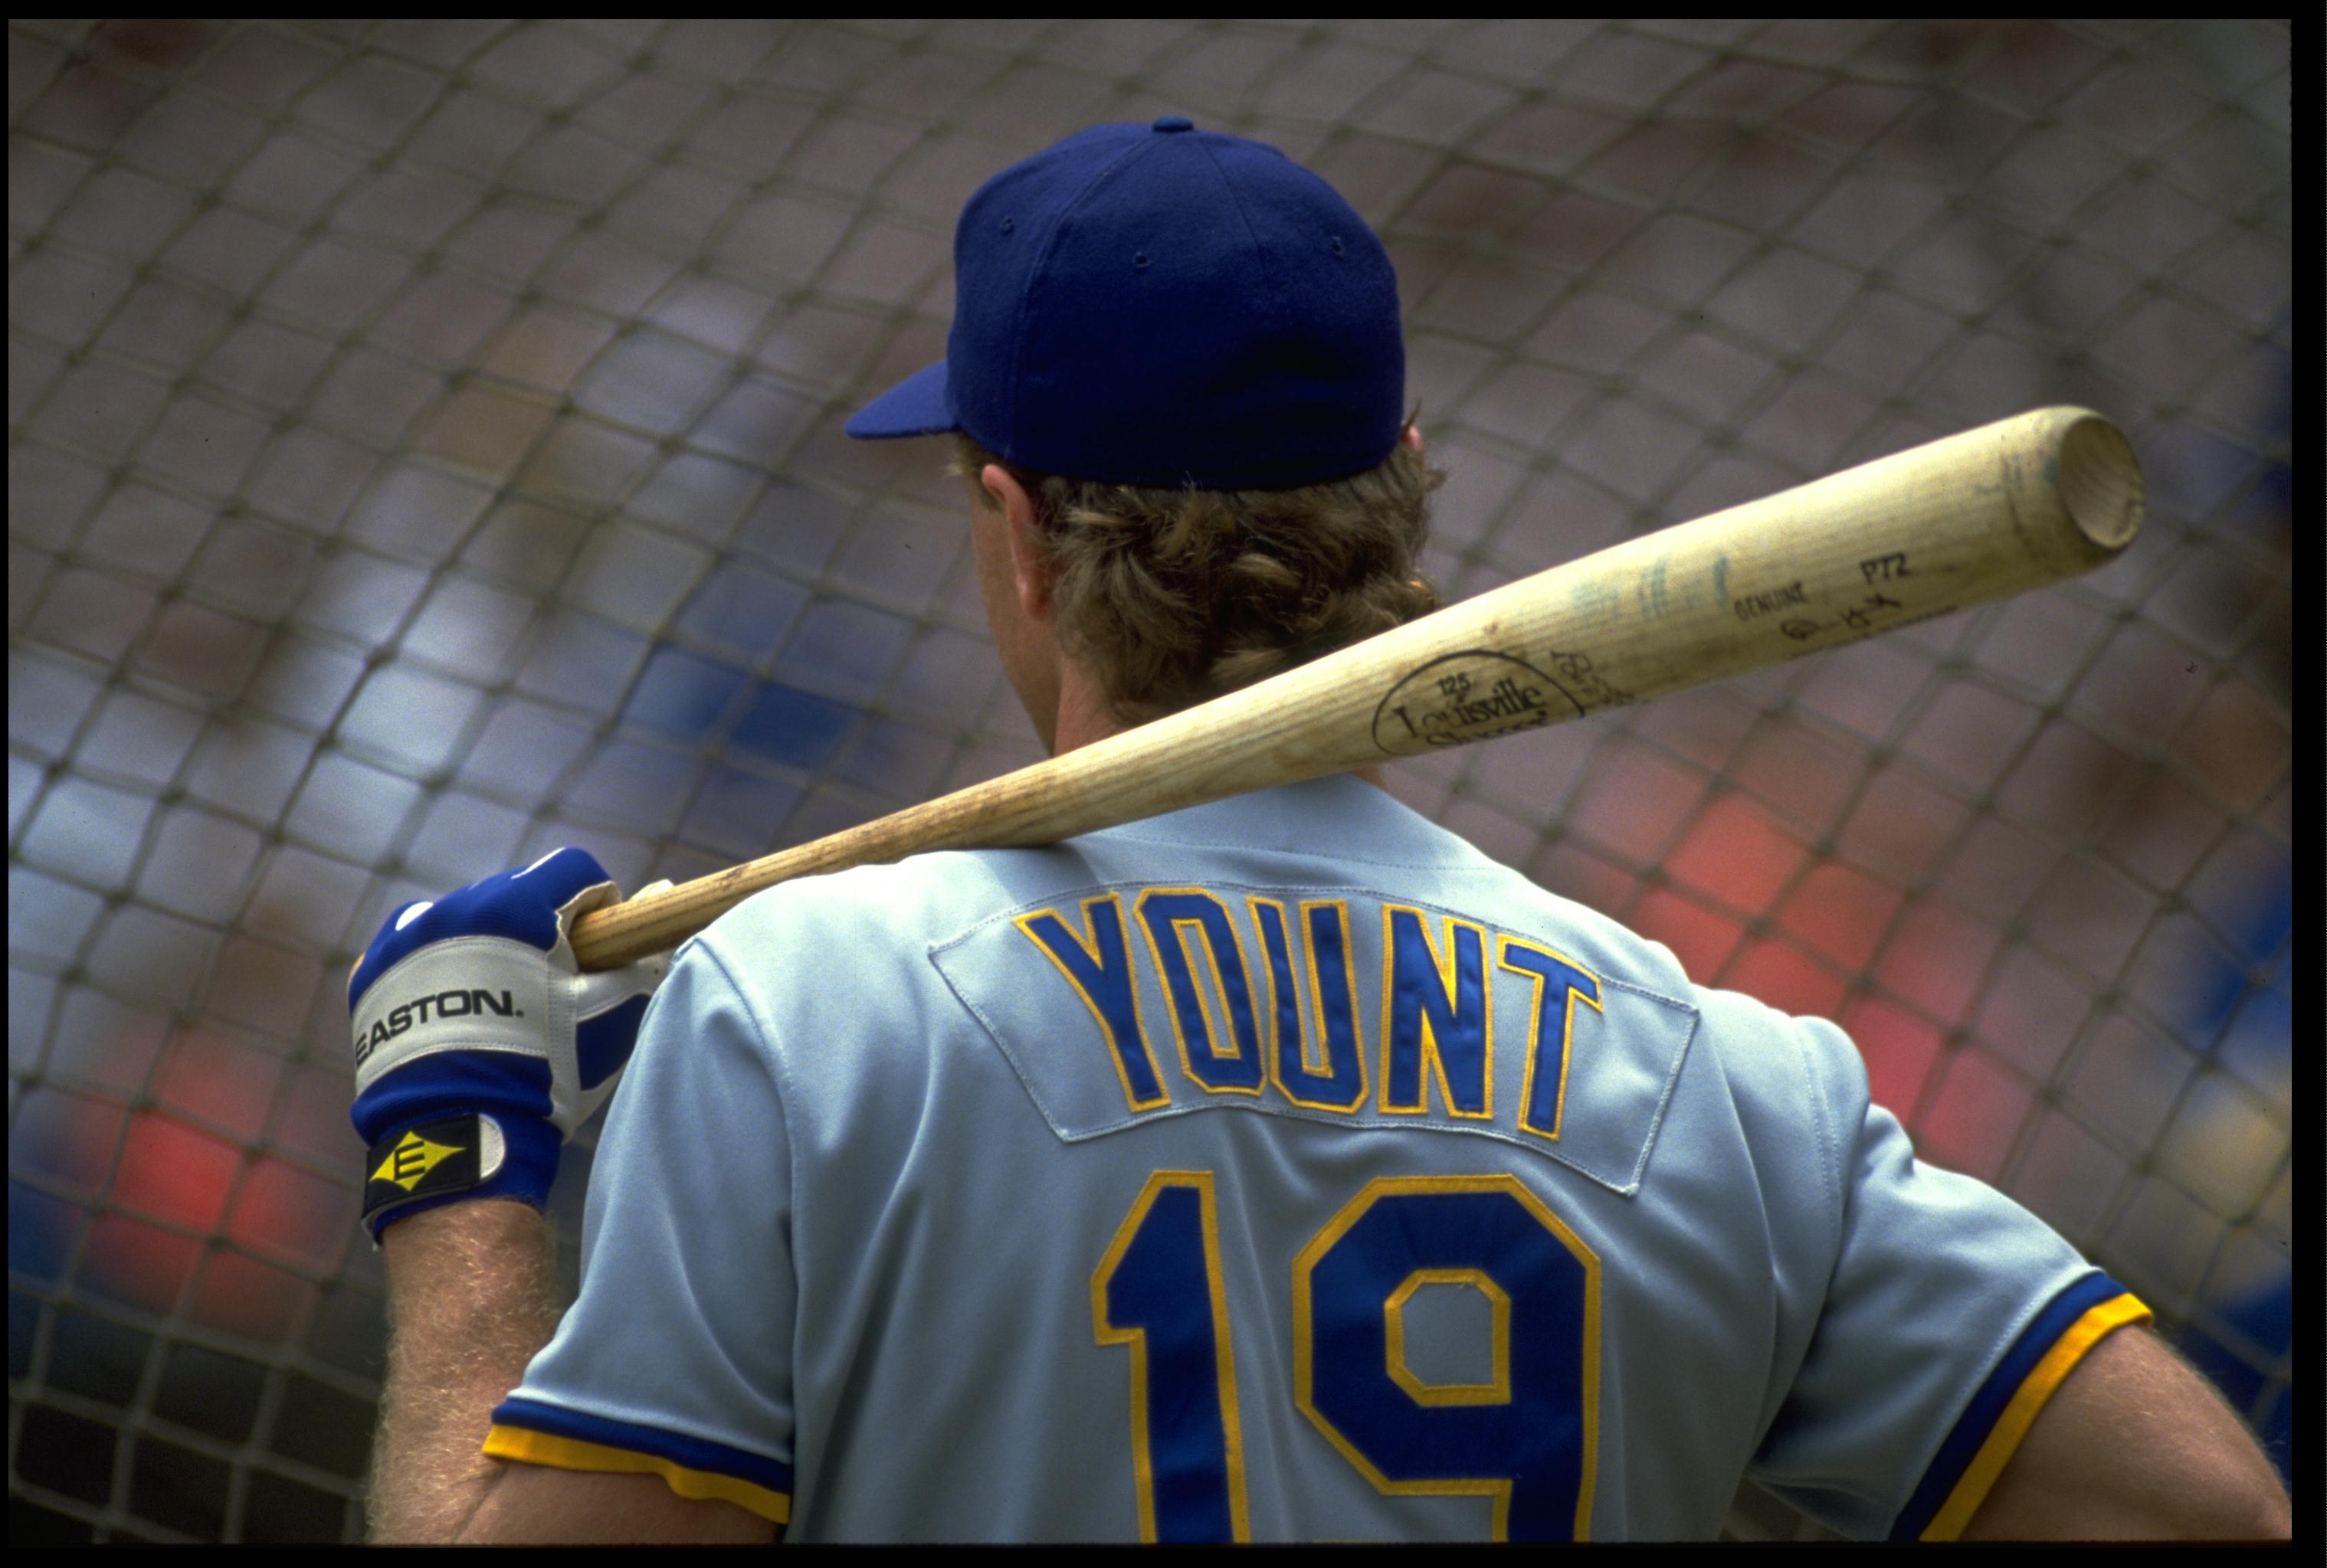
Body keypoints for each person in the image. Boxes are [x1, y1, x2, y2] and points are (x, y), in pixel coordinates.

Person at [352, 119, 2291, 1543]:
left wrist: (461, 1182)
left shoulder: (807, 1011)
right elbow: (2201, 1512)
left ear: (1020, 531)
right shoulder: (1727, 1073)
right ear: (1409, 498)